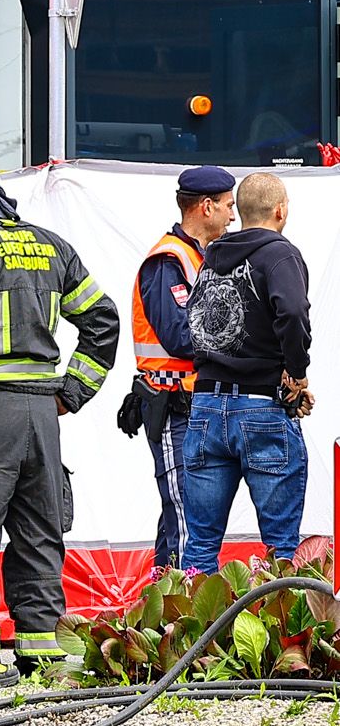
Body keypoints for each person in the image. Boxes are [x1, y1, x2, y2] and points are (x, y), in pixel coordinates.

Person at [0, 144, 120, 677]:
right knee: (40, 530)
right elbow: (103, 320)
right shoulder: (54, 247)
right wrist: (69, 393)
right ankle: (42, 651)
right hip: (42, 415)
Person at [179, 171, 314, 574]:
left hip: (204, 408)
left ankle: (192, 635)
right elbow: (291, 311)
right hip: (262, 410)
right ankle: (274, 632)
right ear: (280, 210)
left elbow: (195, 323)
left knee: (201, 542)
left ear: (239, 210)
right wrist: (297, 372)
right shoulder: (279, 254)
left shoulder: (209, 259)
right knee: (280, 548)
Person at [122, 166, 235, 569]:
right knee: (188, 511)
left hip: (192, 405)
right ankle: (194, 615)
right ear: (206, 207)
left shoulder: (199, 258)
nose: (232, 216)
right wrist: (236, 331)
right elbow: (180, 336)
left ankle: (163, 611)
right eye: (227, 206)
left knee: (180, 510)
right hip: (173, 406)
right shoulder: (168, 261)